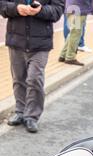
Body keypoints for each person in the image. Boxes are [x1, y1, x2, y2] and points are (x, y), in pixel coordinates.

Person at [1, 0, 64, 133]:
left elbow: (57, 10)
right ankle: (20, 111)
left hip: (40, 44)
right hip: (16, 41)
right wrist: (16, 8)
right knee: (18, 79)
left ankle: (32, 116)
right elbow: (2, 5)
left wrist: (40, 11)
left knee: (35, 79)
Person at [59, 0, 93, 66]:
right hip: (78, 8)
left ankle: (63, 55)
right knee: (76, 33)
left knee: (73, 33)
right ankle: (70, 57)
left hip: (70, 7)